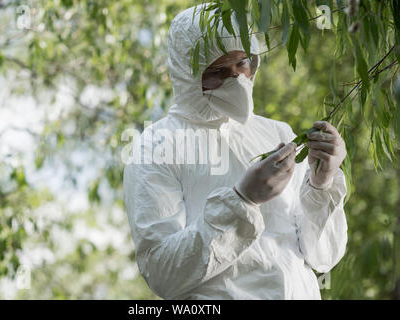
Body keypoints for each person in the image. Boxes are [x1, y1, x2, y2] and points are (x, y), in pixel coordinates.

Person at [123, 3, 348, 300]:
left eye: (243, 63)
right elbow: (163, 273)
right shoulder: (157, 146)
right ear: (186, 73)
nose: (238, 80)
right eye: (218, 71)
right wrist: (241, 201)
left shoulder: (276, 133)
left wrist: (321, 184)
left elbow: (323, 257)